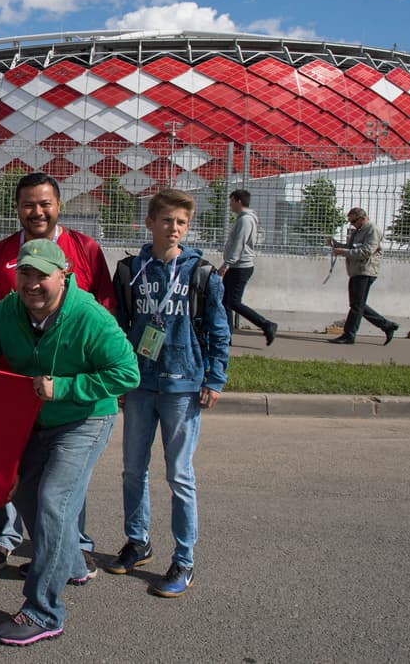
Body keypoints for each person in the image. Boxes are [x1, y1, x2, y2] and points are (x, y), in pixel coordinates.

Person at [0, 239, 139, 645]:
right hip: (36, 420)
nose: (32, 283)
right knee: (23, 494)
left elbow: (127, 374)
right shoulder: (10, 310)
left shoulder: (91, 318)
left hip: (86, 417)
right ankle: (73, 563)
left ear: (64, 275)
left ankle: (44, 612)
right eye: (25, 273)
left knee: (53, 501)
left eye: (42, 274)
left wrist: (64, 387)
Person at [0, 172, 113, 573]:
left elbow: (103, 308)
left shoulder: (84, 248)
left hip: (67, 391)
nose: (37, 211)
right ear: (17, 209)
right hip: (12, 383)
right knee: (14, 468)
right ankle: (3, 536)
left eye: (44, 203)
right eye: (28, 204)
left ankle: (71, 546)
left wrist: (88, 380)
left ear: (58, 206)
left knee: (63, 477)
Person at [110, 189, 229, 599]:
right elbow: (120, 329)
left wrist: (215, 378)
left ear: (187, 227)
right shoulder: (130, 271)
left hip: (183, 384)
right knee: (132, 469)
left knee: (179, 475)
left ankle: (184, 558)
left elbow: (218, 328)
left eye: (181, 222)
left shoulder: (202, 274)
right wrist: (120, 377)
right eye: (166, 221)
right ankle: (138, 541)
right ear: (150, 223)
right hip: (141, 383)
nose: (173, 228)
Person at [328, 207, 399, 345]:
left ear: (362, 218)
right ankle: (387, 325)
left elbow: (366, 252)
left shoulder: (372, 230)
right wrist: (336, 245)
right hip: (355, 271)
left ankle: (349, 335)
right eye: (350, 222)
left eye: (353, 221)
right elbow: (350, 248)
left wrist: (342, 252)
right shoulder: (358, 231)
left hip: (366, 271)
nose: (351, 224)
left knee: (356, 306)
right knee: (357, 305)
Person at [218, 189, 276, 345]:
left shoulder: (245, 220)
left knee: (232, 302)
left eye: (231, 201)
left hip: (240, 267)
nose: (229, 204)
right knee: (226, 302)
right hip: (238, 265)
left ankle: (266, 324)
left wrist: (227, 263)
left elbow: (239, 243)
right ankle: (226, 336)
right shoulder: (244, 219)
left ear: (238, 201)